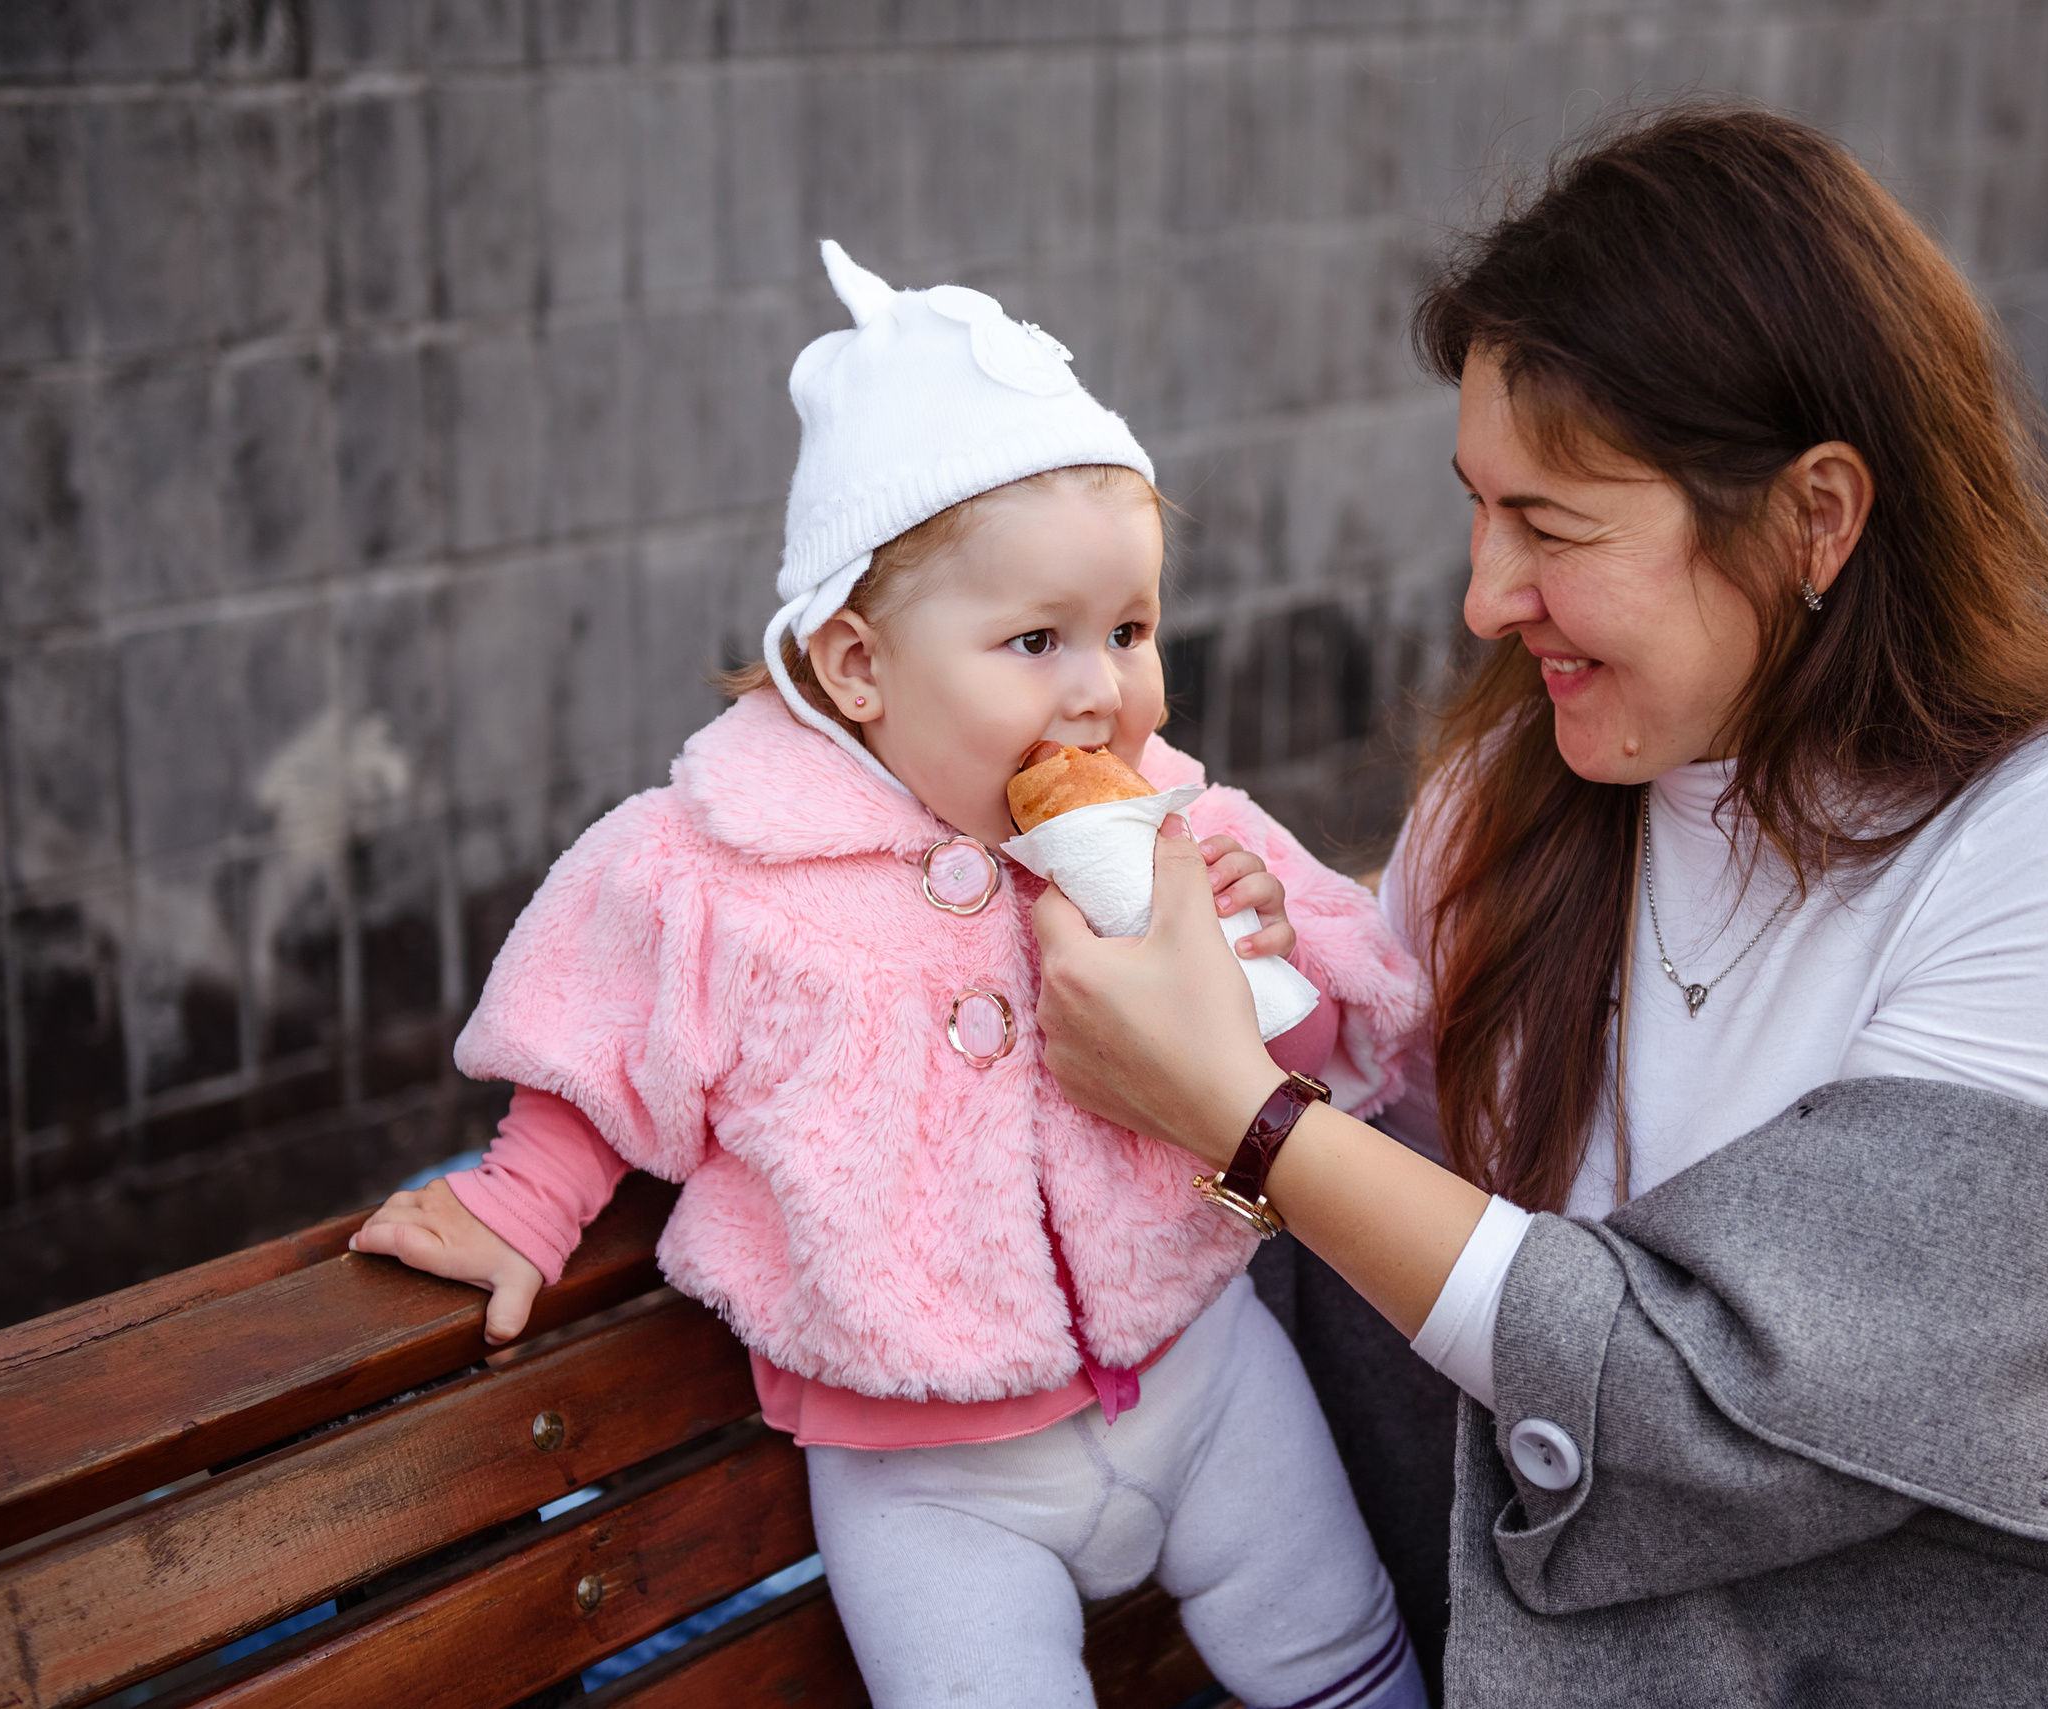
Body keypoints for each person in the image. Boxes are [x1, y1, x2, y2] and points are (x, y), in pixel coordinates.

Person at [1030, 106, 2048, 1707]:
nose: (1486, 595)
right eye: (1479, 507)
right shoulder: (1521, 792)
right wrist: (1248, 975)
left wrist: (1242, 1113)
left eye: (1551, 523)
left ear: (1818, 515)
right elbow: (1375, 1211)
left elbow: (1726, 1413)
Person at [347, 244, 1433, 1709]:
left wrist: (1268, 933)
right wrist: (518, 1211)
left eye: (1129, 628)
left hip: (1204, 1367)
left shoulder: (1170, 814)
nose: (1100, 686)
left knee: (1340, 1653)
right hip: (926, 1470)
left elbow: (1362, 998)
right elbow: (611, 1043)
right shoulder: (727, 867)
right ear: (858, 664)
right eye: (1035, 639)